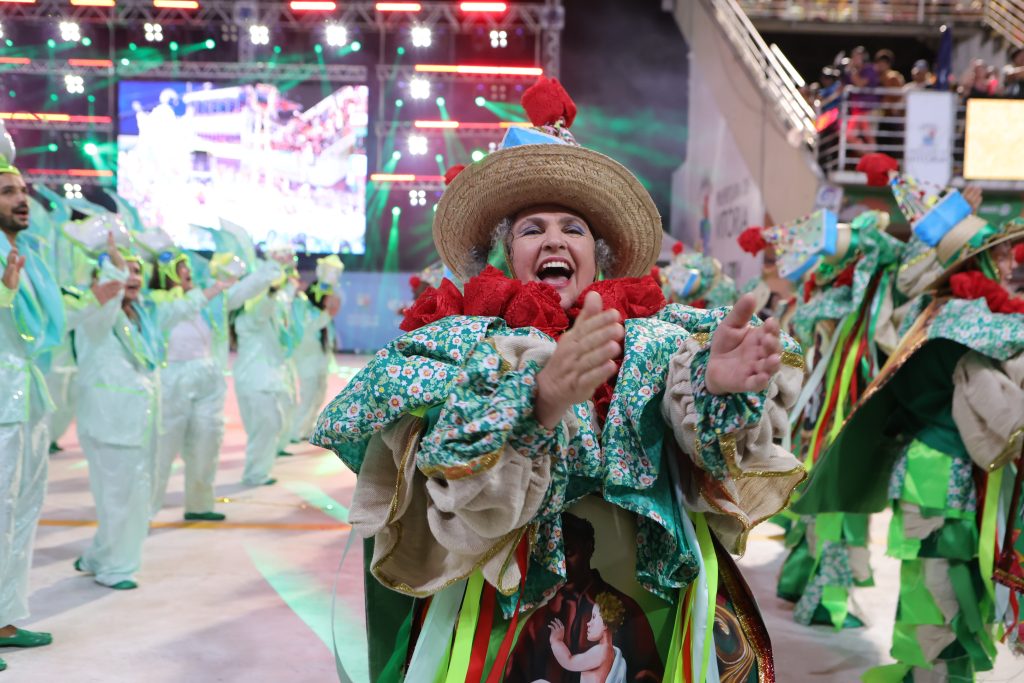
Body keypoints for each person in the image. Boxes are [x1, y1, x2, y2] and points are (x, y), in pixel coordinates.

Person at [312, 77, 806, 682]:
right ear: (505, 255)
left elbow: (703, 446)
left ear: (598, 255)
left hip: (651, 600)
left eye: (572, 228)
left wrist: (718, 391)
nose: (553, 239)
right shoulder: (462, 343)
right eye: (531, 228)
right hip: (507, 607)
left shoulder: (661, 336)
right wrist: (536, 401)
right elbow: (441, 476)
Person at [795, 184, 1024, 680]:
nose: (1009, 262)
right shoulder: (964, 319)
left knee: (940, 583)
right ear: (976, 264)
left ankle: (930, 671)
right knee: (945, 585)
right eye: (998, 253)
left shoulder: (936, 313)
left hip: (931, 465)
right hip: (940, 473)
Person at [70, 235, 220, 589]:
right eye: (125, 271)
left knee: (131, 496)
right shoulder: (95, 316)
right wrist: (112, 263)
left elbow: (183, 306)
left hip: (140, 421)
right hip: (109, 422)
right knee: (120, 497)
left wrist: (219, 286)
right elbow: (106, 300)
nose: (133, 277)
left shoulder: (144, 314)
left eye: (137, 271)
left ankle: (97, 556)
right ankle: (115, 568)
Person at [149, 250, 281, 520]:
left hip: (208, 376)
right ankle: (145, 511)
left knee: (206, 443)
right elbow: (172, 313)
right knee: (163, 447)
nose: (188, 272)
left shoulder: (210, 302)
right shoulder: (154, 302)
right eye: (181, 267)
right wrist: (206, 293)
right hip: (170, 377)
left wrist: (271, 267)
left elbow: (244, 289)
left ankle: (200, 505)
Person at [0, 137, 64, 672]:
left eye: (21, 189)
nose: (21, 199)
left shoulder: (25, 256)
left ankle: (5, 617)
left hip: (25, 393)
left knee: (19, 513)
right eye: (6, 192)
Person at [233, 254, 295, 486]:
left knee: (272, 424)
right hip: (255, 380)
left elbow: (278, 305)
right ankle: (255, 473)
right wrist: (271, 289)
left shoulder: (265, 313)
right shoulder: (248, 315)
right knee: (265, 426)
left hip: (266, 379)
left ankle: (259, 471)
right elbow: (263, 308)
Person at [289, 268, 342, 444]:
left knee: (319, 395)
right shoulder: (305, 310)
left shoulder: (322, 314)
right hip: (307, 360)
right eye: (327, 296)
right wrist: (328, 313)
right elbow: (309, 330)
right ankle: (294, 431)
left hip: (320, 361)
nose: (331, 300)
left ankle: (307, 427)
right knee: (308, 395)